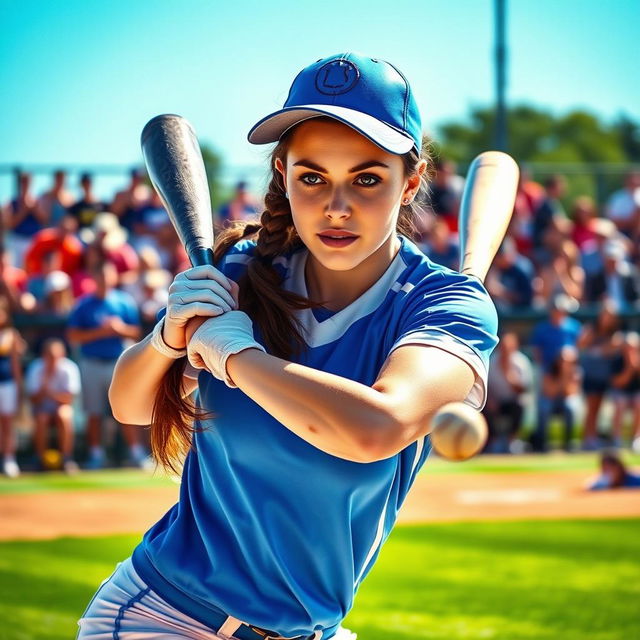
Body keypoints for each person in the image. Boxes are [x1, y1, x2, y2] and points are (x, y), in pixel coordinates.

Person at [77, 53, 499, 640]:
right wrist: (166, 338)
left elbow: (376, 429)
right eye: (312, 177)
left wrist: (239, 358)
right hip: (166, 615)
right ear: (283, 174)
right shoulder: (243, 273)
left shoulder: (440, 306)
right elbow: (129, 405)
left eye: (367, 178)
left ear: (412, 180)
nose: (336, 206)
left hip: (307, 631)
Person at [66, 260, 146, 469]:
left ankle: (136, 452)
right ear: (94, 279)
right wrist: (100, 332)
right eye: (100, 276)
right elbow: (73, 335)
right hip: (92, 363)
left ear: (113, 277)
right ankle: (96, 454)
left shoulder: (124, 302)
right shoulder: (83, 304)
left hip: (118, 362)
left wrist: (119, 329)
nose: (104, 280)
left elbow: (136, 332)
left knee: (125, 409)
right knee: (94, 412)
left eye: (107, 275)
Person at [25, 337, 81, 473]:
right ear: (43, 356)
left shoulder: (69, 368)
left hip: (60, 408)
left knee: (64, 415)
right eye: (49, 356)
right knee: (41, 418)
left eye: (56, 356)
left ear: (62, 355)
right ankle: (39, 459)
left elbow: (68, 400)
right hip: (42, 410)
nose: (53, 360)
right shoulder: (35, 368)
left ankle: (67, 459)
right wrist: (43, 391)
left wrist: (48, 392)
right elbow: (33, 400)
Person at [533, 345, 582, 452]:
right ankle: (541, 443)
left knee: (571, 407)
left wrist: (565, 374)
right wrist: (562, 376)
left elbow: (569, 393)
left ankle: (569, 443)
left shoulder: (576, 373)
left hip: (564, 402)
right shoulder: (548, 371)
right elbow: (550, 393)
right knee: (545, 406)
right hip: (551, 402)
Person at [0, 296, 25, 477]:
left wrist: (19, 388)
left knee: (8, 423)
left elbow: (15, 364)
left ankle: (9, 459)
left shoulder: (11, 335)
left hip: (7, 384)